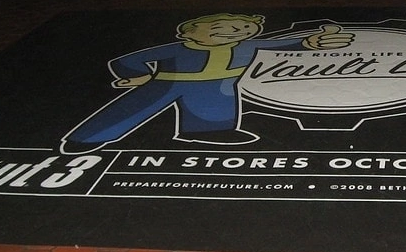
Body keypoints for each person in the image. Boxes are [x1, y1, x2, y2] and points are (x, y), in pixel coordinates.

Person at [60, 13, 353, 153]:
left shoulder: (247, 46)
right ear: (188, 33)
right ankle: (88, 139)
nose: (235, 32)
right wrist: (141, 76)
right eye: (222, 27)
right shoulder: (176, 50)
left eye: (243, 29)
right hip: (168, 82)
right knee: (132, 109)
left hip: (217, 85)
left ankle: (208, 132)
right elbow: (130, 60)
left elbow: (280, 44)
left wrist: (309, 42)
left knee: (215, 109)